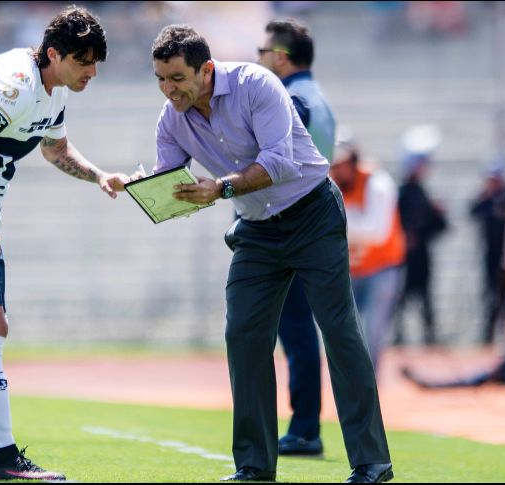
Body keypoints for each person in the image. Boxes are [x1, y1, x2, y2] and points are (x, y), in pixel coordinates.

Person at [150, 25, 392, 483]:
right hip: (257, 231)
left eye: (177, 78)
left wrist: (219, 188)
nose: (169, 89)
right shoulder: (170, 117)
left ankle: (372, 461)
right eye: (160, 78)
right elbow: (168, 180)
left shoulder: (256, 84)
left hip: (312, 214)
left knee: (339, 331)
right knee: (243, 335)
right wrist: (147, 191)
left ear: (205, 69)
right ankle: (255, 466)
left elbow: (281, 162)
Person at [0, 6, 133, 482]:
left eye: (97, 62)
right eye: (84, 61)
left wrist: (100, 175)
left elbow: (54, 147)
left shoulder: (51, 87)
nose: (92, 72)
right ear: (53, 53)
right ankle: (2, 458)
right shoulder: (13, 86)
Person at [255, 17, 335, 457]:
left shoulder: (291, 100)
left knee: (298, 333)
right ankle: (304, 424)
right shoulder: (317, 97)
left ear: (280, 57)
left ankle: (305, 428)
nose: (260, 59)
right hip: (316, 224)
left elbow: (278, 163)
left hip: (292, 227)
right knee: (306, 332)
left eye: (263, 53)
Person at [330, 132, 406, 370]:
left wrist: (339, 224)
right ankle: (351, 384)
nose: (337, 171)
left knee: (373, 331)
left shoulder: (377, 183)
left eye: (340, 164)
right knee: (346, 331)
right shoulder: (331, 185)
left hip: (382, 268)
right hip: (351, 270)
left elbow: (377, 231)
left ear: (353, 161)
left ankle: (369, 387)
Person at [394, 134, 448, 346]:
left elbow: (438, 226)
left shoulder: (423, 192)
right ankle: (399, 337)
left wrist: (439, 214)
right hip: (405, 255)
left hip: (421, 255)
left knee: (425, 298)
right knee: (402, 298)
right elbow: (395, 220)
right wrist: (405, 235)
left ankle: (430, 337)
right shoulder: (402, 192)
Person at [469, 158, 505, 344]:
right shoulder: (486, 198)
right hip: (491, 256)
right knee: (490, 296)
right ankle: (488, 337)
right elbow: (472, 213)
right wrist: (483, 197)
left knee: (504, 300)